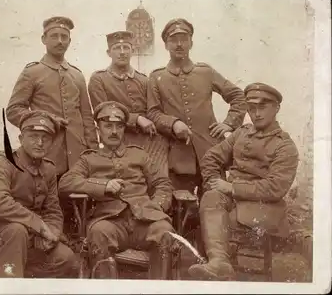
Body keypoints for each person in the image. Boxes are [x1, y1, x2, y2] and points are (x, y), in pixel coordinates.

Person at [188, 83, 299, 280]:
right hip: (234, 199)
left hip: (263, 207)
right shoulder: (242, 133)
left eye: (262, 107)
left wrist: (231, 188)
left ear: (276, 108)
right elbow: (212, 157)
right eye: (251, 108)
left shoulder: (285, 146)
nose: (256, 114)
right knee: (211, 197)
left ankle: (221, 264)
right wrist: (215, 182)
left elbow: (275, 188)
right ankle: (219, 263)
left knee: (217, 221)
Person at [58, 101, 175, 279]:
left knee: (165, 232)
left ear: (123, 129)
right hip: (110, 222)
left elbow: (162, 183)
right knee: (99, 233)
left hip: (145, 221)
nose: (113, 131)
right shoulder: (90, 159)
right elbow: (66, 182)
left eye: (118, 126)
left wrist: (156, 206)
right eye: (108, 126)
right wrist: (102, 186)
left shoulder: (139, 155)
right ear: (99, 130)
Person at [0, 110, 78, 278]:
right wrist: (40, 227)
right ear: (21, 139)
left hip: (23, 235)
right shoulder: (3, 161)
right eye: (33, 136)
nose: (40, 143)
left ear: (52, 142)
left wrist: (53, 233)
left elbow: (53, 210)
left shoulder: (49, 169)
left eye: (46, 138)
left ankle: (6, 273)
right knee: (16, 231)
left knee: (66, 258)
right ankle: (5, 279)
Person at [147, 18, 247, 198]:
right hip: (176, 155)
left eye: (184, 39)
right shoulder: (156, 77)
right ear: (166, 45)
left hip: (210, 151)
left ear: (191, 42)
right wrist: (173, 124)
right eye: (173, 40)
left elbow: (238, 96)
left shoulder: (205, 72)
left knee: (215, 201)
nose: (179, 44)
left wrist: (229, 124)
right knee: (180, 208)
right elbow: (153, 112)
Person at [6, 16, 98, 178]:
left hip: (78, 154)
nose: (60, 41)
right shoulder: (32, 72)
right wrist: (47, 119)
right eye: (54, 36)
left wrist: (93, 151)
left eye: (64, 37)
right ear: (44, 39)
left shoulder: (77, 75)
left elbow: (87, 117)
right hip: (47, 152)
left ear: (69, 41)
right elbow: (13, 110)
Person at [88, 31, 170, 173]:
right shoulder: (99, 79)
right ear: (109, 53)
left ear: (132, 51)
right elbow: (102, 111)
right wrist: (136, 118)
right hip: (117, 140)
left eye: (126, 48)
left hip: (148, 141)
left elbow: (153, 110)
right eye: (117, 48)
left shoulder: (144, 80)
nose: (122, 52)